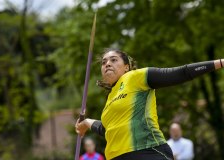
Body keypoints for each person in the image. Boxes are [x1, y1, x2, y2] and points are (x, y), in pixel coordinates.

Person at [75, 48, 224, 160]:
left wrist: (221, 63)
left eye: (113, 60)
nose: (107, 64)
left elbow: (181, 73)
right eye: (103, 62)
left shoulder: (136, 77)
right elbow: (108, 129)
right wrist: (87, 122)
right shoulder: (110, 99)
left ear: (126, 66)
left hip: (146, 152)